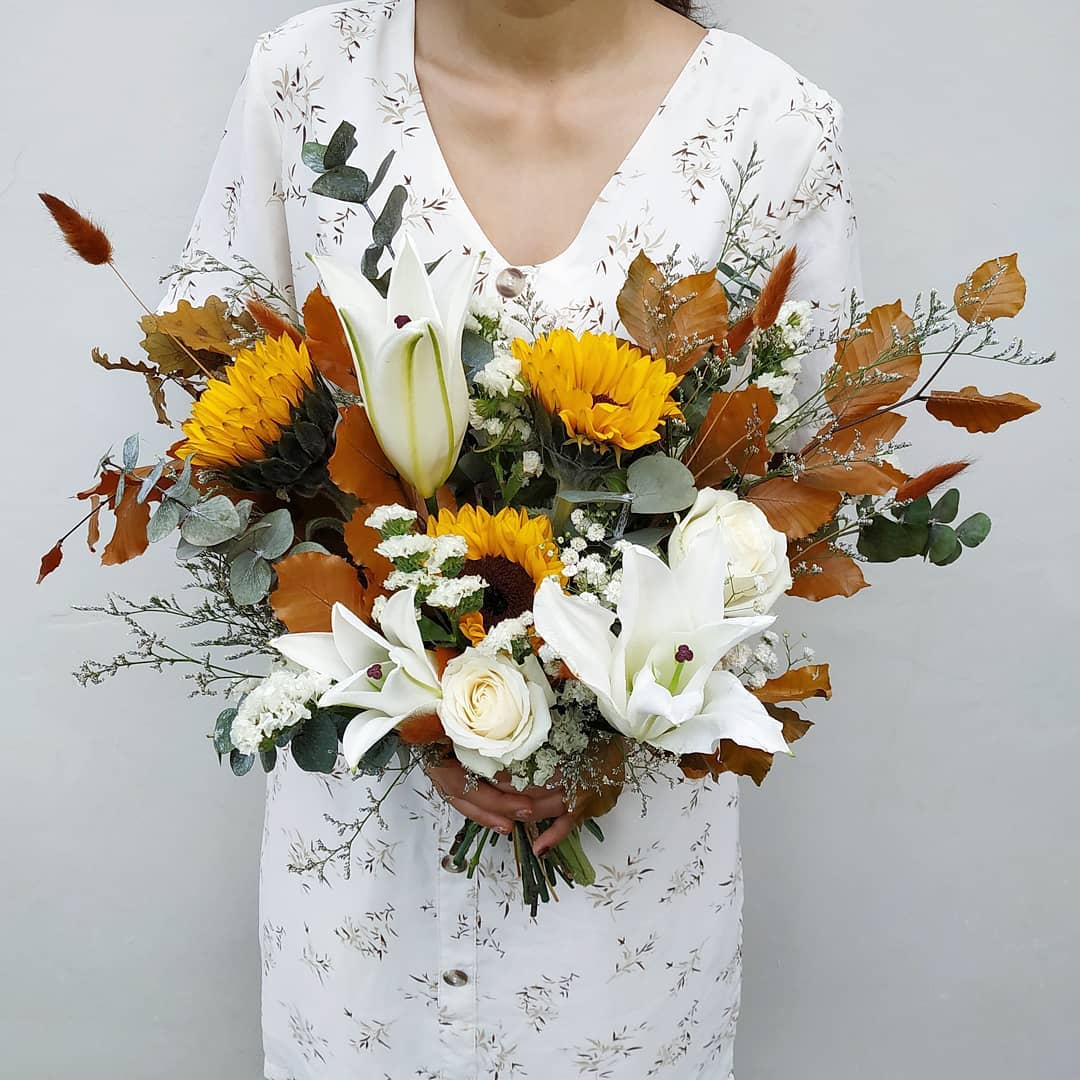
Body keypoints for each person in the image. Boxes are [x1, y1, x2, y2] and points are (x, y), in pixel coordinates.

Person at [157, 1, 861, 1075]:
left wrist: (598, 719)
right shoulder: (306, 85)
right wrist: (414, 702)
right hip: (364, 882)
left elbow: (795, 488)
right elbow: (220, 432)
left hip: (624, 903)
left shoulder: (768, 127)